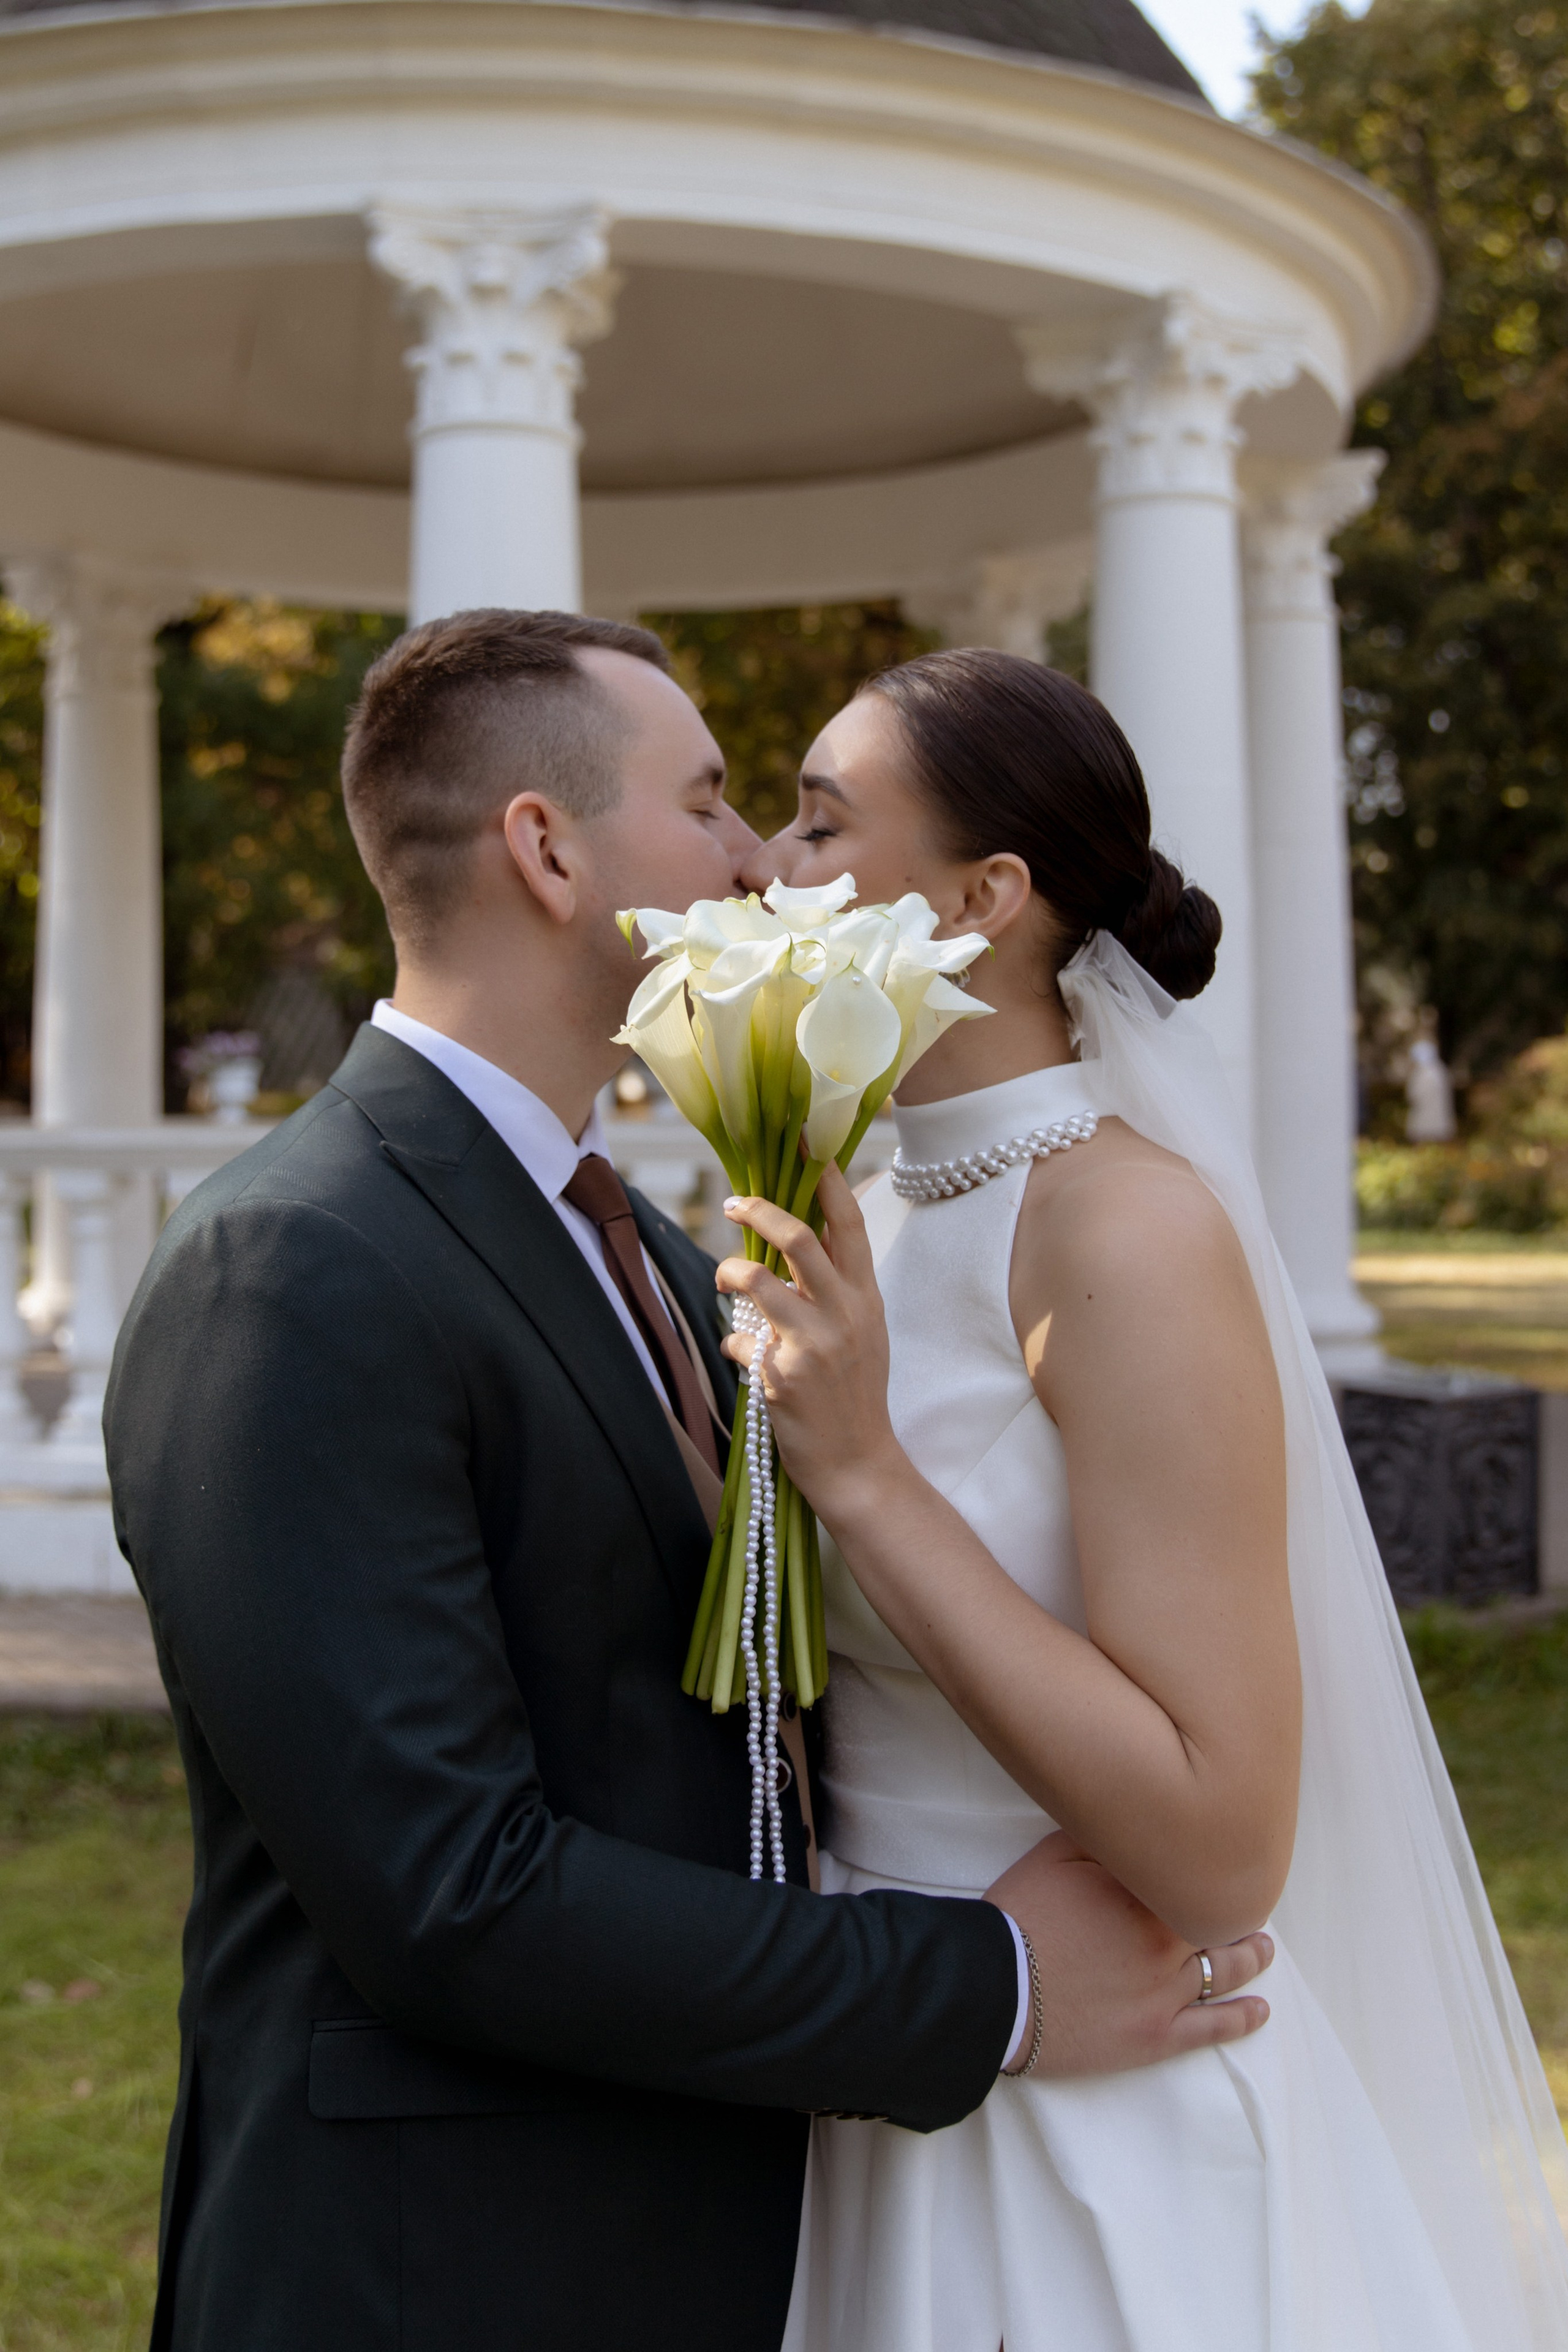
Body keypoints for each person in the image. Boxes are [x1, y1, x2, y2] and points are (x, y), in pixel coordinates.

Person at [104, 612, 1273, 2352]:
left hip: (734, 2230)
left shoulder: (652, 1247)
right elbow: (451, 1893)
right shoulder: (289, 1269)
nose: (755, 863)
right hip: (438, 2277)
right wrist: (996, 1985)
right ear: (547, 849)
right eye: (714, 799)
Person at [719, 648, 1568, 2352]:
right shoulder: (853, 1201)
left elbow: (1223, 1840)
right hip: (888, 2057)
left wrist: (867, 1478)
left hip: (1097, 2145)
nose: (762, 867)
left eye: (818, 825)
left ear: (986, 895)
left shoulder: (1122, 1228)